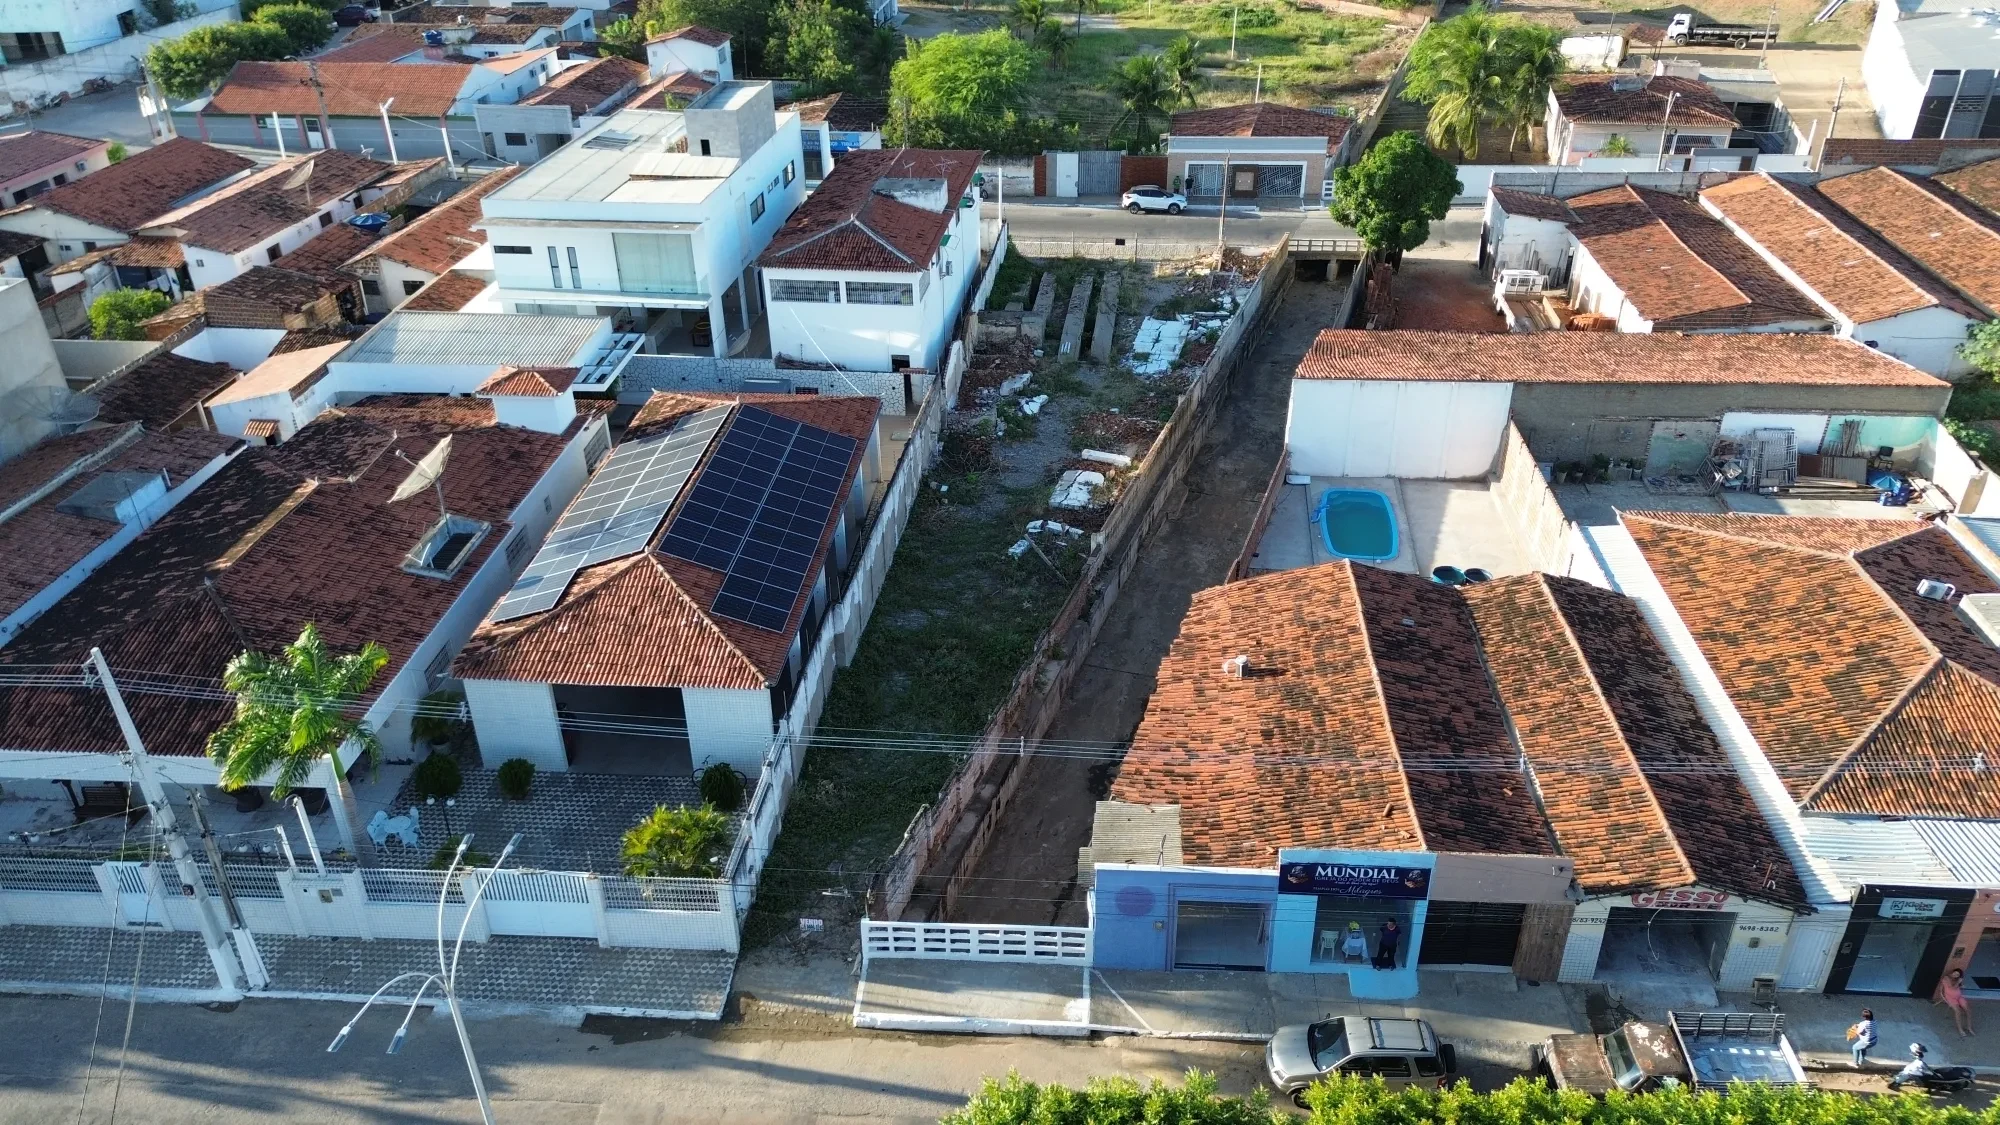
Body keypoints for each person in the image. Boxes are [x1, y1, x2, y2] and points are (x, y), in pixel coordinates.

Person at [1940, 968, 1975, 1037]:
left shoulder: (1957, 980)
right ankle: (1960, 1029)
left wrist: (1961, 985)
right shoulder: (1946, 978)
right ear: (1952, 972)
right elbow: (1952, 987)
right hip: (1950, 997)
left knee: (1968, 1010)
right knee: (1958, 1011)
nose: (1955, 975)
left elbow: (1958, 987)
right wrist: (1958, 982)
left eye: (1957, 975)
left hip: (1959, 997)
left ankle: (1969, 1027)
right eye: (1955, 973)